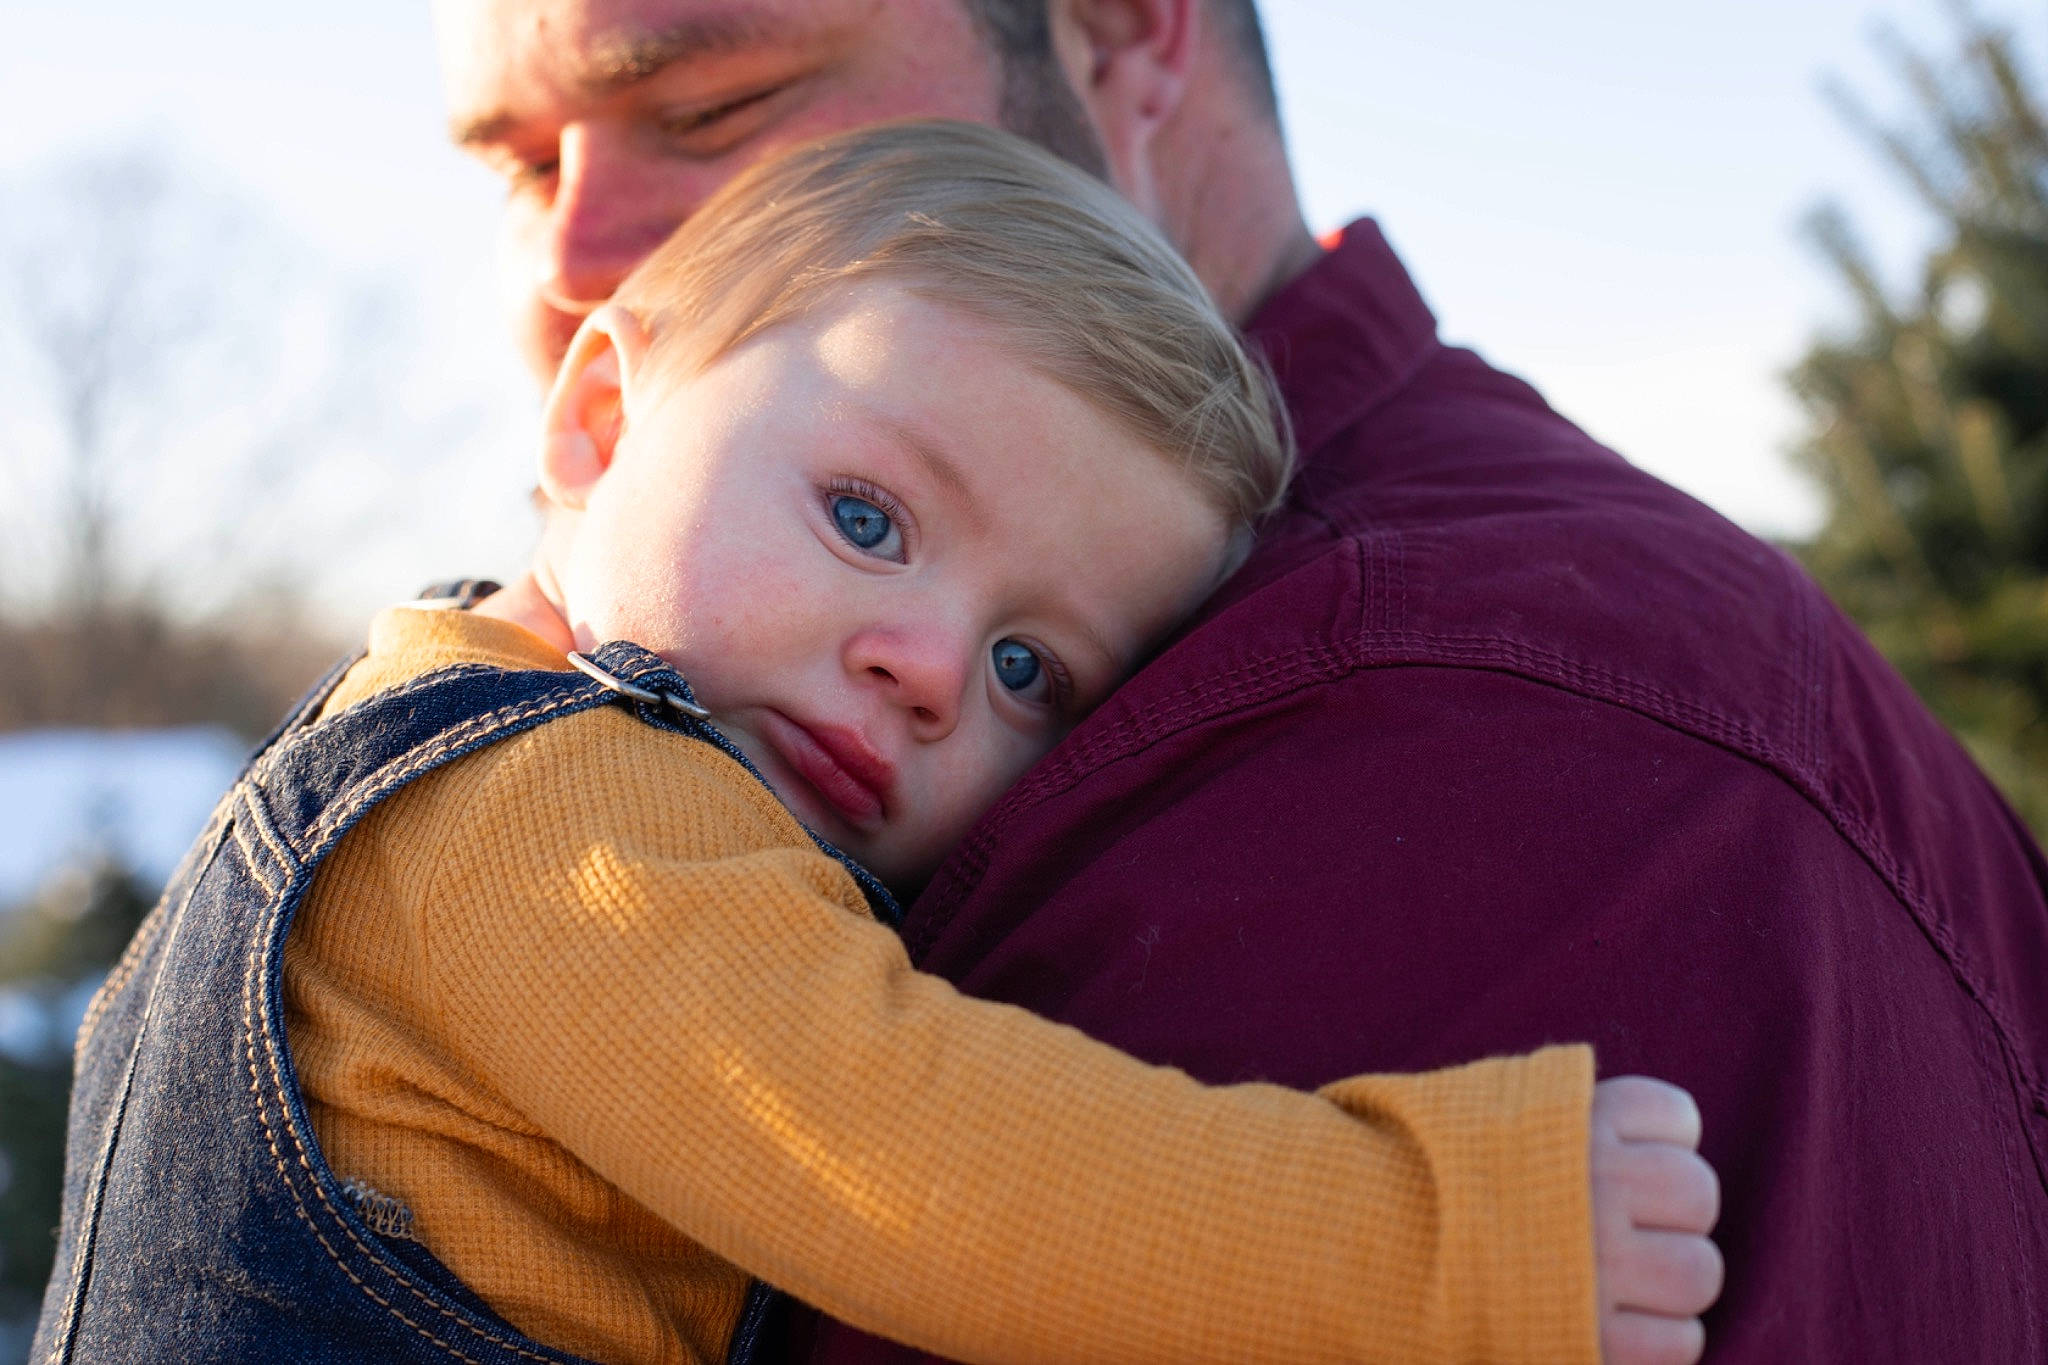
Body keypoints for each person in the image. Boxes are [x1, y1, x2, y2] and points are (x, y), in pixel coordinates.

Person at [433, 2, 2048, 1361]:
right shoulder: (534, 779)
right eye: (514, 165)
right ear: (603, 409)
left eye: (716, 102)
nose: (573, 251)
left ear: (1127, 34)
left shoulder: (1464, 720)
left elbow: (920, 1158)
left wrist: (1456, 1236)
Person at [33, 123, 1721, 1365]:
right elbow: (942, 1166)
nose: (926, 671)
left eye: (1027, 667)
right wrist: (1451, 1237)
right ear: (600, 420)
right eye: (865, 514)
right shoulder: (545, 812)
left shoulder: (407, 735)